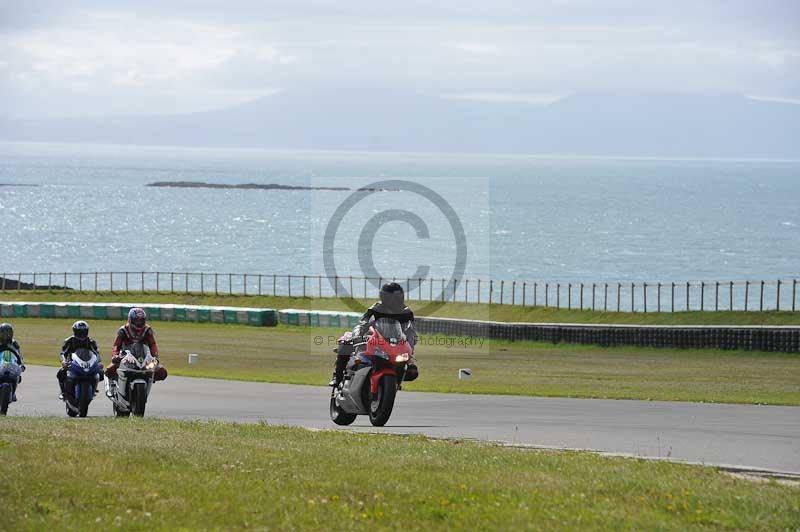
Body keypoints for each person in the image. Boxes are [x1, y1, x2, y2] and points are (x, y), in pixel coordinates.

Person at [329, 282, 419, 386]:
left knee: (412, 371)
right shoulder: (376, 308)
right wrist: (357, 335)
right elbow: (363, 322)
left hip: (395, 342)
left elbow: (411, 331)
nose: (394, 301)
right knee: (345, 342)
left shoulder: (406, 312)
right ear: (384, 297)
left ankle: (394, 383)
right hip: (373, 338)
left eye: (397, 297)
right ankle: (337, 376)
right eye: (391, 297)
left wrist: (410, 348)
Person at [105, 308, 167, 395]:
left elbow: (152, 344)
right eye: (136, 321)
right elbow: (116, 345)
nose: (139, 324)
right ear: (130, 320)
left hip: (143, 357)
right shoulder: (123, 330)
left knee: (162, 373)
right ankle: (112, 386)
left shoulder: (147, 330)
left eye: (141, 321)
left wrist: (155, 356)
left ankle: (149, 379)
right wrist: (115, 356)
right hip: (125, 357)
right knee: (109, 370)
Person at [57, 320, 101, 400]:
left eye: (84, 331)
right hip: (72, 364)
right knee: (61, 372)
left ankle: (93, 388)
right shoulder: (69, 341)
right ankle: (63, 392)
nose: (82, 334)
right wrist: (63, 361)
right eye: (79, 331)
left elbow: (96, 353)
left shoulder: (91, 342)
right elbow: (63, 353)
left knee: (100, 372)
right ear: (75, 331)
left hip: (87, 363)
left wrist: (98, 362)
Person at [0, 322, 25, 402]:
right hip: (0, 362)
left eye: (8, 333)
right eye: (3, 333)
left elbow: (19, 354)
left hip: (11, 364)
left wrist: (22, 364)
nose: (6, 336)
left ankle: (13, 392)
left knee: (18, 376)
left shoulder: (14, 343)